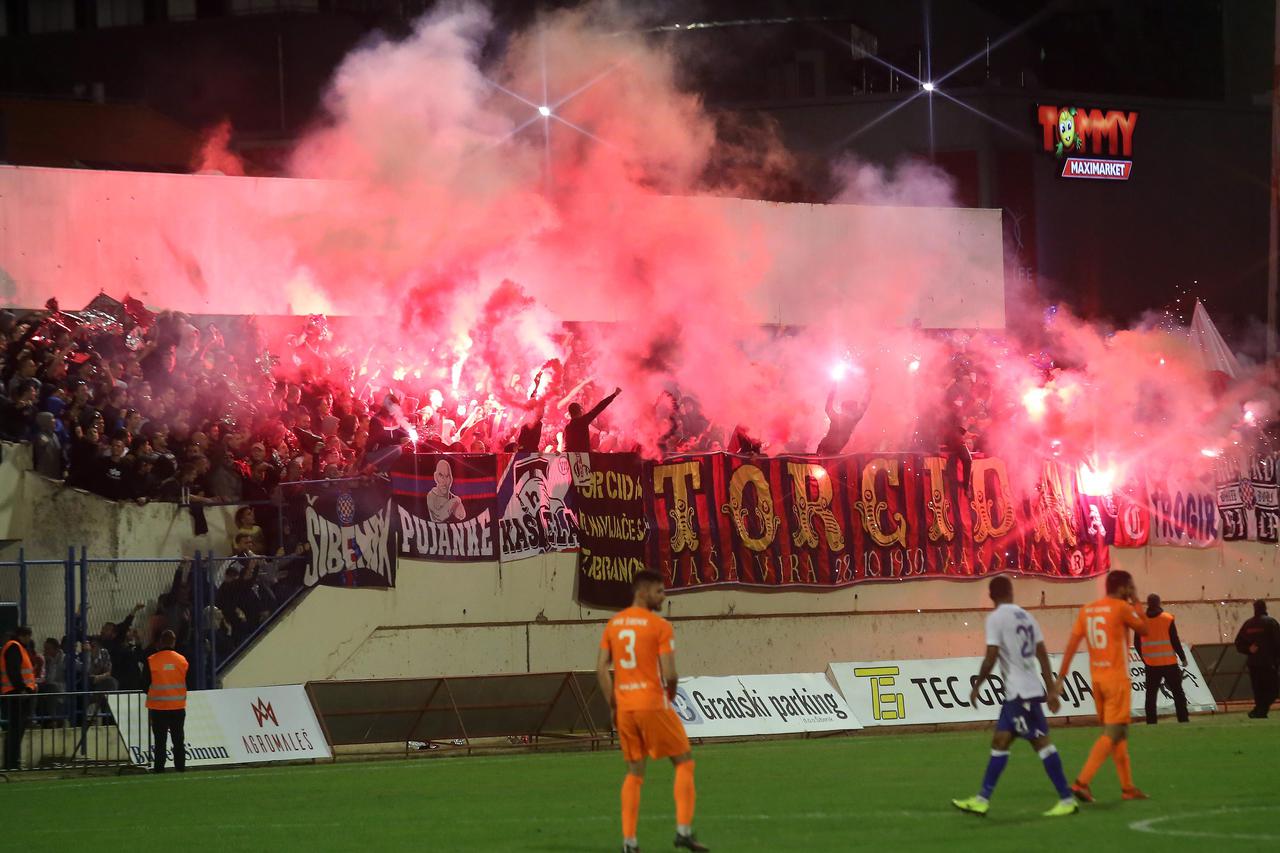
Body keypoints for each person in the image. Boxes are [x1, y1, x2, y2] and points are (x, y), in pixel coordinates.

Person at [596, 570, 709, 853]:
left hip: (626, 708)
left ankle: (629, 842)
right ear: (643, 591)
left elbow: (601, 669)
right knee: (684, 761)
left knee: (634, 772)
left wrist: (613, 704)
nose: (663, 596)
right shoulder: (659, 626)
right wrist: (669, 695)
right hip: (652, 703)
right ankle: (683, 832)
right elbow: (670, 674)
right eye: (659, 591)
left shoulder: (614, 624)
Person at [952, 576, 1078, 817]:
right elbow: (1042, 653)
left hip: (1020, 694)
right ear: (1011, 593)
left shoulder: (996, 618)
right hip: (1024, 691)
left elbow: (991, 655)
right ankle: (982, 799)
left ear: (991, 596)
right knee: (1001, 740)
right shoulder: (1027, 616)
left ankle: (1066, 798)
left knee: (1041, 744)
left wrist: (977, 684)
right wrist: (1050, 689)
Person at [1054, 570, 1148, 802]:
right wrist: (1136, 600)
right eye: (1130, 585)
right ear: (1124, 587)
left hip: (1097, 680)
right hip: (1117, 680)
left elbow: (1072, 644)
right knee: (1114, 732)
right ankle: (1081, 783)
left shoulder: (1088, 610)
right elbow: (1145, 629)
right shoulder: (1122, 608)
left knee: (1119, 734)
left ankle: (1127, 788)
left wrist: (1061, 677)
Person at [1134, 593, 1189, 724]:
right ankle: (1183, 719)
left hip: (1151, 664)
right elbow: (1174, 640)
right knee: (1178, 693)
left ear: (1148, 603)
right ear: (1159, 603)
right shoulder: (1167, 618)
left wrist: (1144, 658)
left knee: (1151, 695)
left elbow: (1137, 643)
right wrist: (1183, 657)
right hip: (1169, 662)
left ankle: (1151, 721)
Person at [141, 629, 188, 773]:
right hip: (178, 706)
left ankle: (159, 768)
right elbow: (188, 682)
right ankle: (180, 767)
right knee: (178, 739)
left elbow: (143, 684)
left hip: (158, 707)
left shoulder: (152, 660)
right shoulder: (182, 660)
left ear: (160, 642)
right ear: (174, 642)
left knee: (160, 741)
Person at [1233, 599, 1280, 719]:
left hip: (1253, 663)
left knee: (1258, 690)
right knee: (1274, 690)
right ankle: (1260, 710)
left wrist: (1248, 649)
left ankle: (1259, 712)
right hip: (1269, 663)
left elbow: (1238, 643)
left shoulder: (1248, 624)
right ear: (1265, 608)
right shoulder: (1271, 623)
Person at [1, 626, 36, 770]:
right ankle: (12, 762)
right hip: (16, 694)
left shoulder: (15, 647)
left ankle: (13, 761)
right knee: (16, 729)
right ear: (24, 636)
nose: (29, 640)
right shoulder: (14, 647)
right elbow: (13, 671)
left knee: (16, 729)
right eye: (28, 637)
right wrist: (22, 689)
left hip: (17, 693)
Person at [815, 383, 871, 456]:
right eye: (854, 408)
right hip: (827, 450)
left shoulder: (839, 418)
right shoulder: (852, 420)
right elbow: (864, 405)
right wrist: (869, 391)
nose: (856, 410)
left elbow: (828, 408)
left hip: (825, 449)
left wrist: (833, 391)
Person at [564, 387, 621, 452]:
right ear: (579, 411)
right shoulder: (583, 421)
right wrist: (614, 395)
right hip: (583, 457)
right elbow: (600, 407)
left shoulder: (567, 427)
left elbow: (567, 446)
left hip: (570, 457)